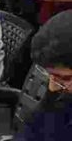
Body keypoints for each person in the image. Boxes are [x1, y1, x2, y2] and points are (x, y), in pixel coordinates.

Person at [17, 10, 72, 140]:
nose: (54, 86)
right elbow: (32, 133)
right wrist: (51, 103)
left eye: (65, 78)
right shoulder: (59, 90)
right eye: (51, 76)